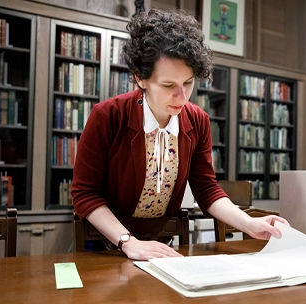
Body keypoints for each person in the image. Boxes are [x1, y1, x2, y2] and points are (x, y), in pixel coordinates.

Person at [71, 8, 289, 261]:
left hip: (161, 244)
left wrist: (249, 224)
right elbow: (84, 193)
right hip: (104, 243)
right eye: (168, 85)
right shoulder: (108, 115)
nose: (182, 96)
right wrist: (128, 241)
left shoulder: (197, 121)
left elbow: (206, 189)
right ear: (141, 79)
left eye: (187, 83)